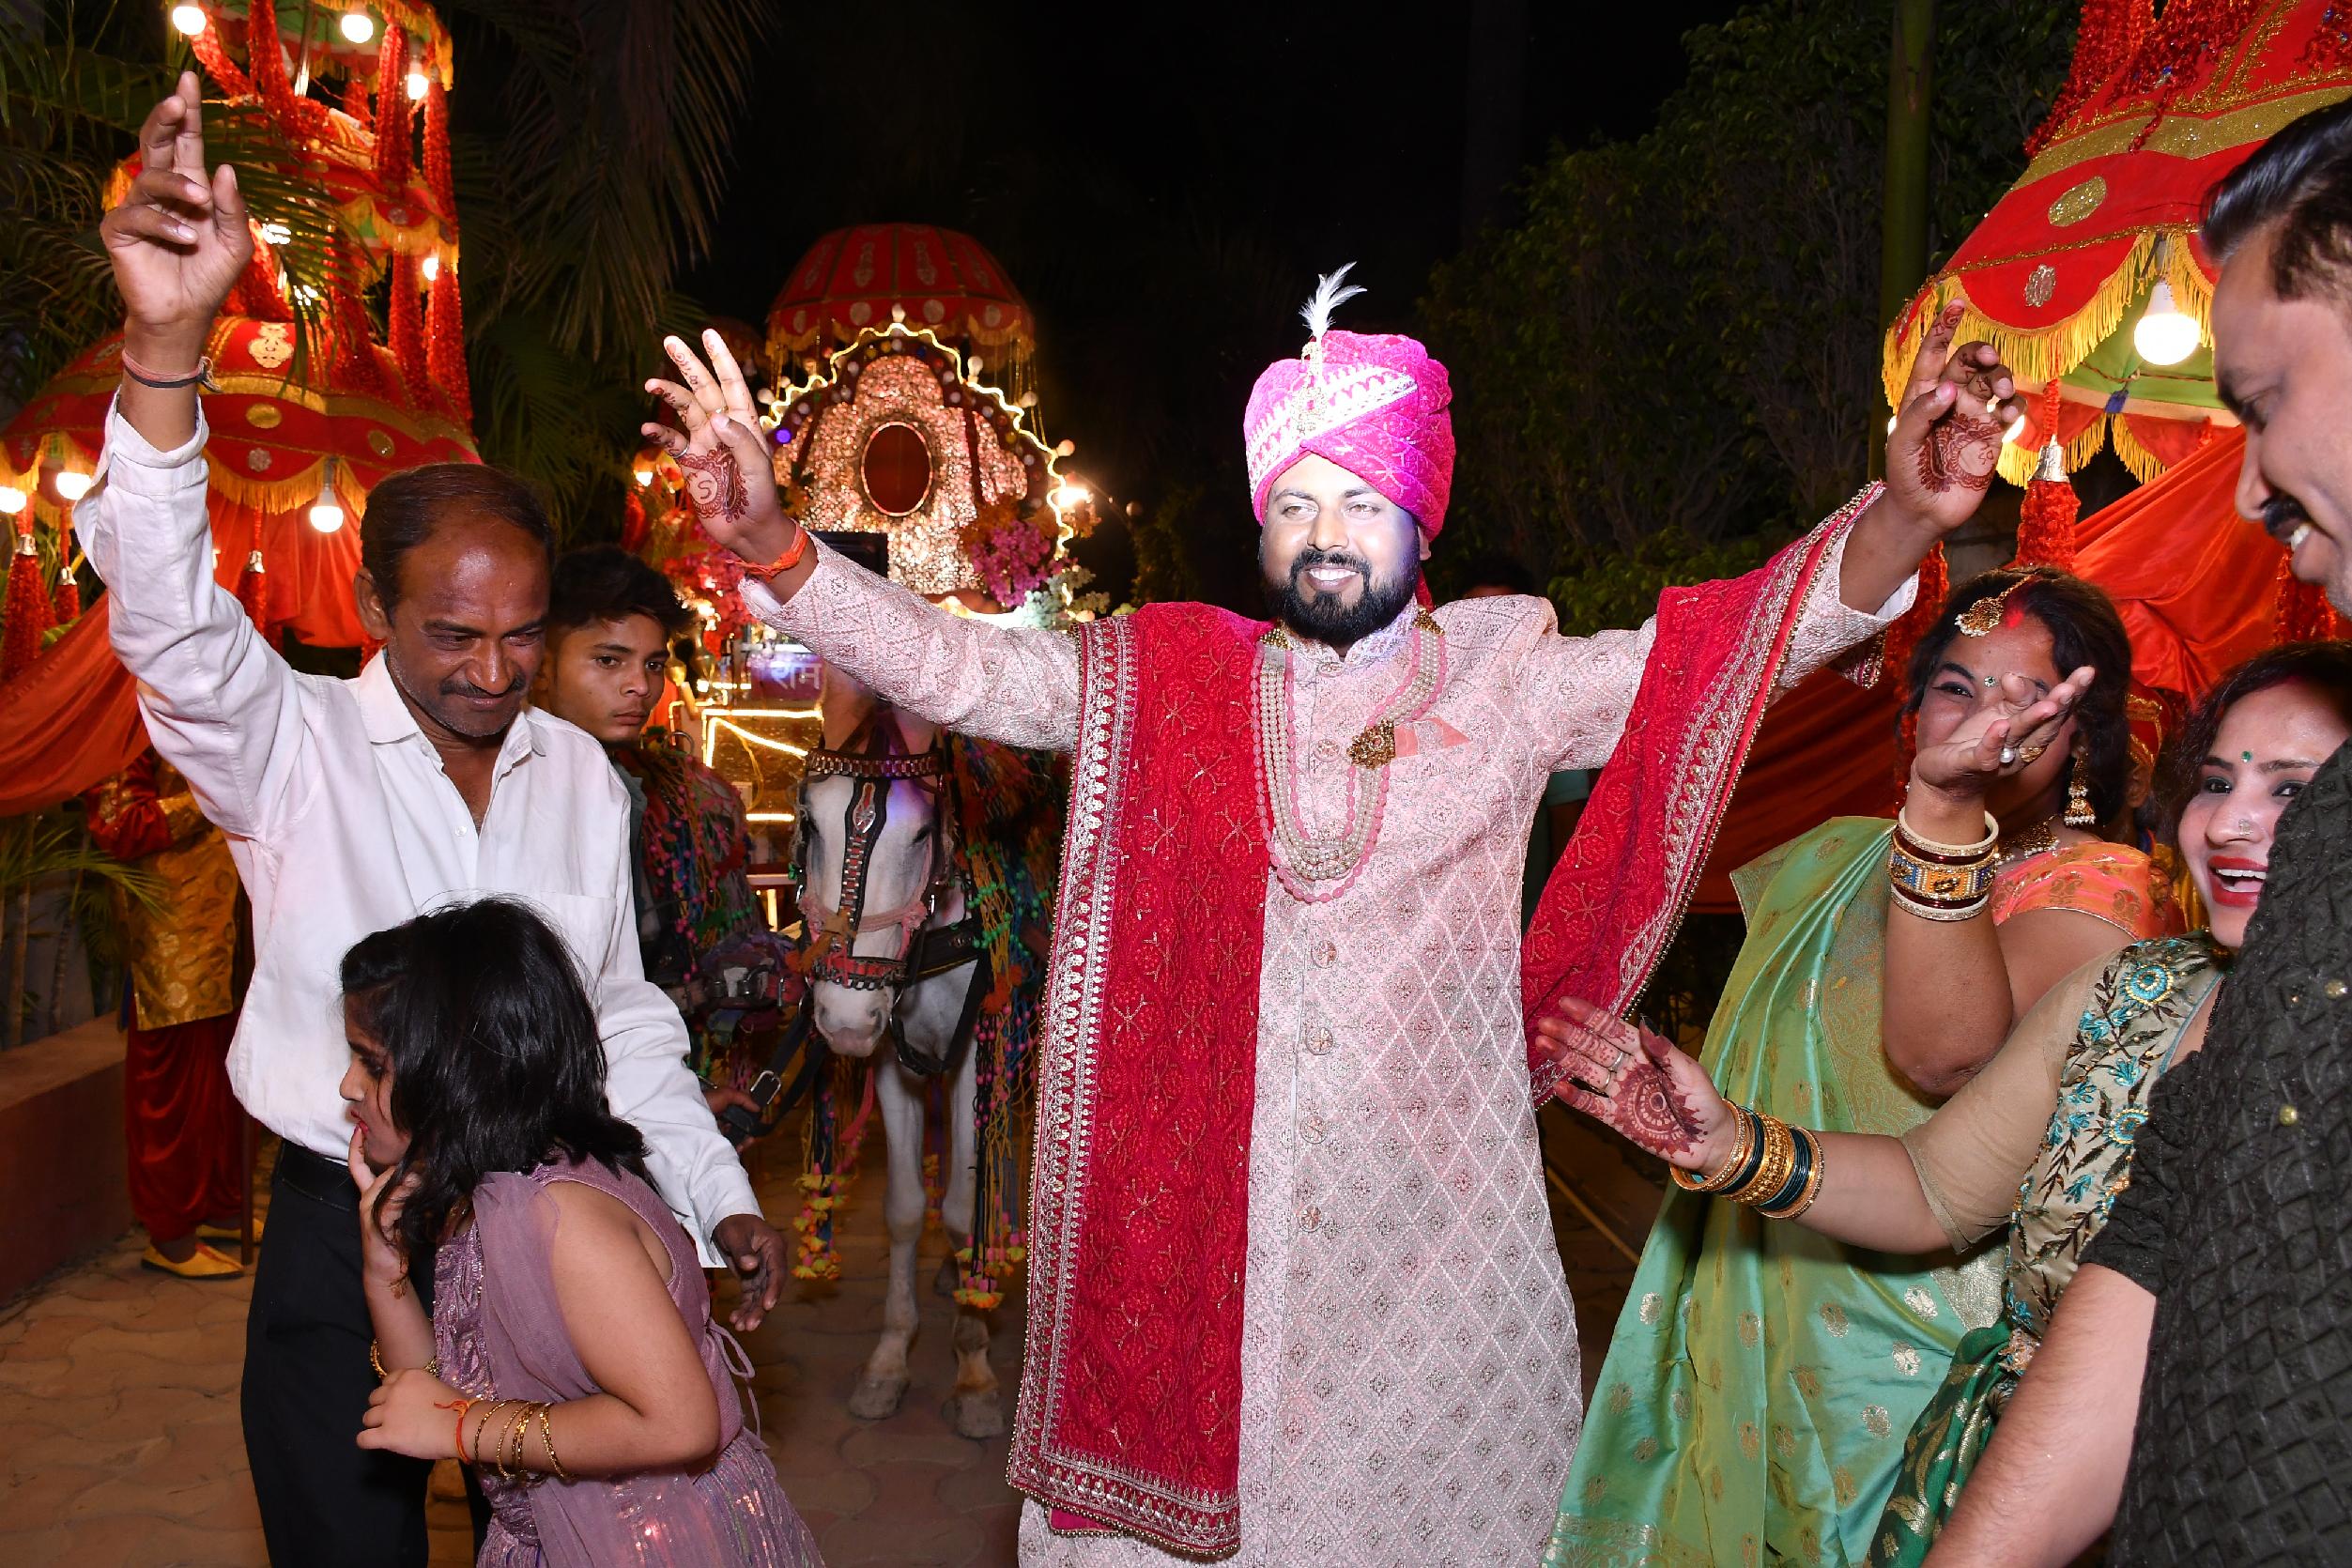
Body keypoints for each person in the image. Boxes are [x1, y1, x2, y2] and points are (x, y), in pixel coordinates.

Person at [639, 253, 2029, 1562]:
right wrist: (781, 550)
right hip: (1209, 1246)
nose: (1324, 536)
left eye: (1361, 502)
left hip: (1442, 1253)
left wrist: (1905, 517)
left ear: (1420, 518)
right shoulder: (1168, 678)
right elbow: (966, 672)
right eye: (1294, 504)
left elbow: (1722, 649)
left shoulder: (1505, 674)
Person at [80, 79, 784, 1566]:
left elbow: (615, 1014)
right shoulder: (290, 744)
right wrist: (164, 348)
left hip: (546, 1231)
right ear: (372, 610)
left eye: (523, 636)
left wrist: (714, 1196)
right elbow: (165, 618)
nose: (493, 671)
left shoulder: (579, 776)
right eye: (453, 635)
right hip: (344, 1229)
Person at [1548, 643, 2352, 1563]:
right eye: (2215, 782)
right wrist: (1731, 1145)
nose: (2232, 821)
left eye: (2291, 789)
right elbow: (1932, 1186)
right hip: (2020, 1476)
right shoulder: (2131, 997)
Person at [1921, 101, 2352, 1568]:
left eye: (2264, 400)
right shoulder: (2319, 859)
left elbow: (1941, 1063)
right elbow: (2160, 1231)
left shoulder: (2101, 893)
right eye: (2224, 780)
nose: (2246, 482)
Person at [340, 899, 824, 1567]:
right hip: (563, 1534)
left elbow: (680, 1422)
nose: (348, 1086)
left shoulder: (563, 1219)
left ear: (454, 1070)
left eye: (371, 1063)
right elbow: (426, 1391)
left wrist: (463, 1427)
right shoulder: (485, 1189)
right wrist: (384, 1269)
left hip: (651, 1546)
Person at [531, 546, 766, 1114]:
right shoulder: (510, 786)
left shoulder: (652, 792)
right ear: (540, 665)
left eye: (653, 665)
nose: (639, 685)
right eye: (608, 661)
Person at [84, 746, 249, 1279]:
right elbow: (120, 826)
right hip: (172, 938)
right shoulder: (123, 727)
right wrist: (211, 796)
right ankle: (170, 1234)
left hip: (224, 926)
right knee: (172, 1092)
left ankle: (221, 1206)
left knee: (223, 1083)